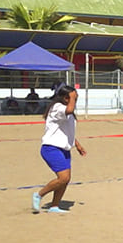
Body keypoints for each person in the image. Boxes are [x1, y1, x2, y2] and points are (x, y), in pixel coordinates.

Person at [32, 85, 86, 214]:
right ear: (65, 98)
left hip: (64, 149)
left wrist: (77, 145)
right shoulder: (57, 108)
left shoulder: (68, 111)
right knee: (63, 178)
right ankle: (39, 194)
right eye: (73, 97)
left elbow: (66, 131)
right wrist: (72, 97)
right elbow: (69, 109)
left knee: (65, 180)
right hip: (51, 148)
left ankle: (54, 206)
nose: (75, 99)